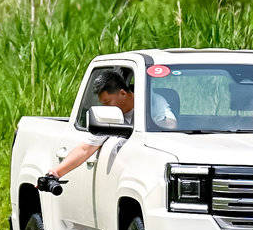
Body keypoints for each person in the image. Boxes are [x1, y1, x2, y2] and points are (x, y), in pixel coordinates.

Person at [36, 68, 175, 192]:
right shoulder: (111, 114)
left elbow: (171, 125)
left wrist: (152, 122)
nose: (106, 108)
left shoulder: (154, 102)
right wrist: (55, 173)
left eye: (108, 102)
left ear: (122, 93)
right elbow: (86, 149)